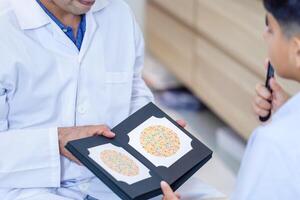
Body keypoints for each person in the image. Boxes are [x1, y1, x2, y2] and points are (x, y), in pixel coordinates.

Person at [0, 0, 187, 199]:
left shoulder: (118, 13)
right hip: (26, 186)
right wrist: (57, 140)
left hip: (118, 179)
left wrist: (152, 131)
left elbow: (133, 91)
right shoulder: (6, 26)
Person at [161, 0, 300, 199]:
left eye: (270, 29)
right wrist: (287, 111)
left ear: (297, 50)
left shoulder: (273, 145)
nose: (264, 34)